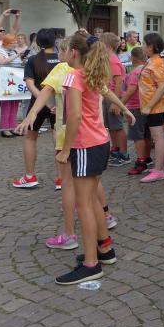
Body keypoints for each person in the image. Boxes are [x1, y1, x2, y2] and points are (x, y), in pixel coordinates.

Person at [54, 33, 134, 285]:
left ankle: (91, 263)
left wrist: (66, 150)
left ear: (74, 53)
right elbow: (107, 93)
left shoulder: (74, 76)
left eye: (65, 50)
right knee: (93, 201)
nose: (64, 54)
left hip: (85, 145)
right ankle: (104, 249)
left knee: (84, 205)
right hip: (100, 142)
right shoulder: (91, 74)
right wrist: (125, 109)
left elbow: (74, 116)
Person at [16, 38, 76, 248]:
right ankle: (104, 221)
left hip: (64, 126)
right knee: (89, 185)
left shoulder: (55, 65)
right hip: (90, 134)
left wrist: (35, 110)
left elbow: (37, 87)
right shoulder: (87, 69)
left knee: (32, 138)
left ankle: (30, 175)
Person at [13, 29, 60, 188]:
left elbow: (30, 84)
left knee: (30, 138)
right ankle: (61, 179)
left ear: (37, 43)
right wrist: (52, 103)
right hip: (58, 103)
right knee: (58, 138)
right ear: (55, 41)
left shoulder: (33, 59)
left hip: (38, 104)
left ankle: (30, 176)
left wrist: (44, 102)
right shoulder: (61, 59)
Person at [138, 33, 164, 182]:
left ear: (150, 47)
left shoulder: (156, 62)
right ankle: (162, 165)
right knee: (157, 136)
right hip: (151, 105)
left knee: (158, 137)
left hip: (155, 106)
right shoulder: (152, 60)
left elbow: (161, 87)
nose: (142, 46)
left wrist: (149, 106)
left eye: (144, 44)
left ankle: (159, 170)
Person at [100, 33, 129, 166]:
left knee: (118, 126)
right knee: (111, 126)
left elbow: (118, 83)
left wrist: (116, 103)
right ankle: (116, 149)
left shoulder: (113, 61)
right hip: (108, 96)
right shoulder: (108, 59)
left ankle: (124, 153)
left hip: (113, 97)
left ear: (108, 47)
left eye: (101, 44)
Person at [122, 47, 152, 175]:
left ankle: (141, 161)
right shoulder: (147, 70)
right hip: (147, 106)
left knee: (138, 136)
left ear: (133, 58)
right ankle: (147, 157)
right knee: (147, 134)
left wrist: (120, 104)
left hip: (135, 107)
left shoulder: (134, 73)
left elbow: (131, 90)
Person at [0, 33, 23, 137]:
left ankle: (12, 126)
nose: (15, 44)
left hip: (15, 81)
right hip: (5, 81)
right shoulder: (0, 50)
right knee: (6, 105)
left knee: (15, 104)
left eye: (15, 42)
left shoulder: (14, 51)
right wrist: (16, 55)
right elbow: (1, 61)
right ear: (7, 43)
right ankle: (5, 128)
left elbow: (18, 63)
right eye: (13, 42)